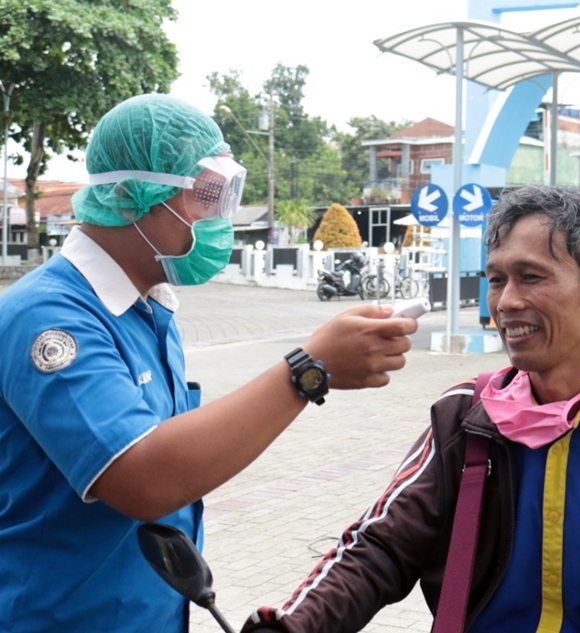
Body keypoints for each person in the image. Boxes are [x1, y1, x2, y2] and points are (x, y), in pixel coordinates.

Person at [244, 185, 580, 633]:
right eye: (496, 279)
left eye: (531, 277)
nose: (506, 302)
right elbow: (379, 549)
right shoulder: (465, 416)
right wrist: (291, 624)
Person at [0, 94, 417, 633]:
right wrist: (308, 371)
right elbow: (145, 479)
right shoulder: (49, 318)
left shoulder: (148, 309)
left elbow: (181, 453)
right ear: (136, 195)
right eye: (208, 194)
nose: (222, 216)